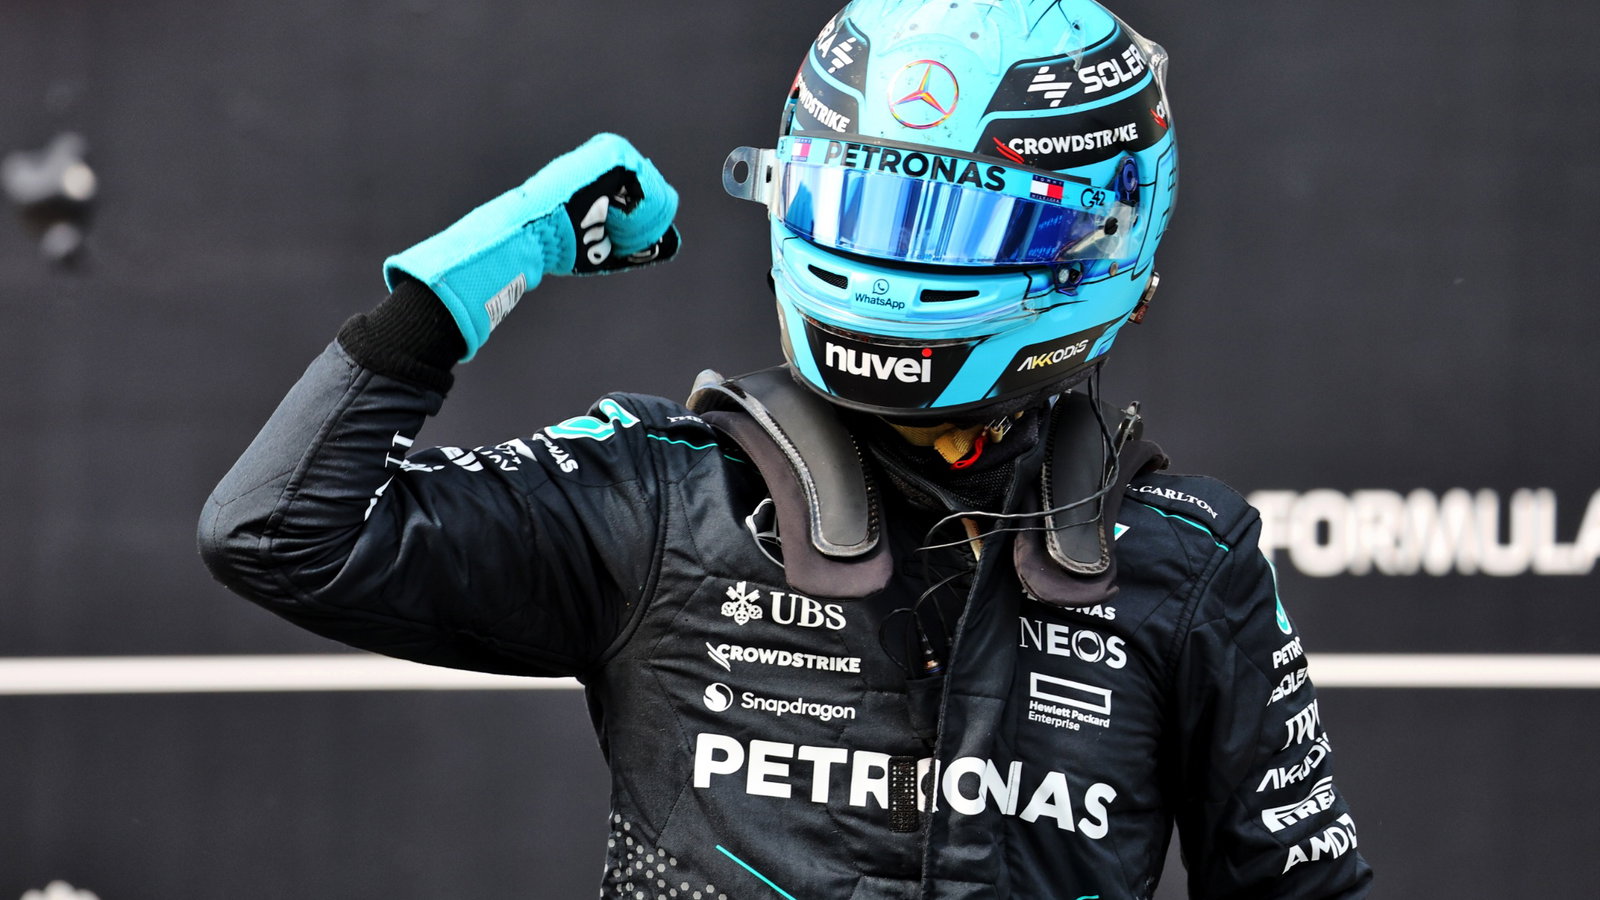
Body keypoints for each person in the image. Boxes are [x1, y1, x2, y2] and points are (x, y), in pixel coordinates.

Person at [198, 0, 1373, 896]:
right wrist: (448, 292)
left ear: (1099, 245)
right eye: (854, 207)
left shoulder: (1183, 560)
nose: (888, 266)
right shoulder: (664, 491)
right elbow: (278, 533)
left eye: (950, 222)